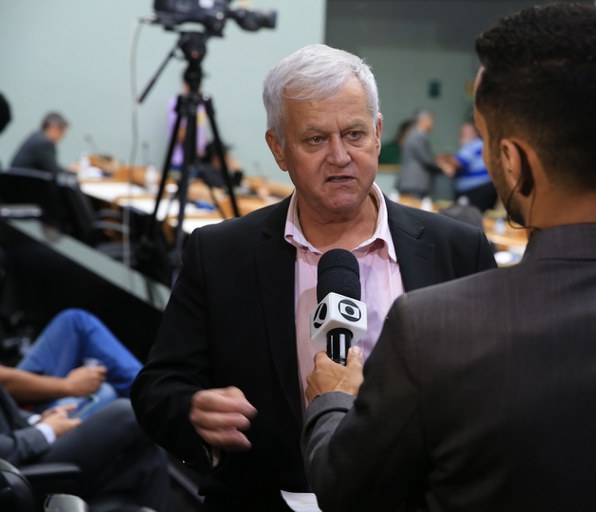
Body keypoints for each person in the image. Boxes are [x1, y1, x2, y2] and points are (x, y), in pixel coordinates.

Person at [302, 5, 596, 512]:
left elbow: (346, 490)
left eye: (486, 142)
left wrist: (333, 400)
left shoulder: (434, 331)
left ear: (513, 160)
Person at [131, 43, 496, 511]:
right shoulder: (221, 253)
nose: (340, 156)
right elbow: (158, 387)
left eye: (354, 134)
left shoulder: (458, 250)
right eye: (315, 139)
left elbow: (497, 396)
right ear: (278, 149)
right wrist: (191, 410)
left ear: (378, 133)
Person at [0, 389, 170, 511]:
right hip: (14, 473)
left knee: (148, 455)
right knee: (126, 413)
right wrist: (45, 430)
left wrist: (37, 421)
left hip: (23, 445)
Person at [0, 309, 142, 420]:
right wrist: (68, 386)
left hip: (12, 403)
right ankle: (150, 403)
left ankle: (149, 395)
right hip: (18, 429)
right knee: (105, 392)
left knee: (75, 322)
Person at [397, 109, 451, 198]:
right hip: (414, 183)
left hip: (415, 183)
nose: (433, 124)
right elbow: (426, 159)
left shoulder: (416, 135)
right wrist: (443, 166)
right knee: (413, 205)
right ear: (424, 121)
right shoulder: (417, 136)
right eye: (431, 121)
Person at [445, 121, 497, 211]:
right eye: (461, 132)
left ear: (475, 134)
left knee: (469, 216)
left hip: (478, 191)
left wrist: (442, 160)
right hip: (474, 191)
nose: (461, 135)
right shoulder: (470, 146)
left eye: (465, 132)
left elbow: (457, 162)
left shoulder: (475, 144)